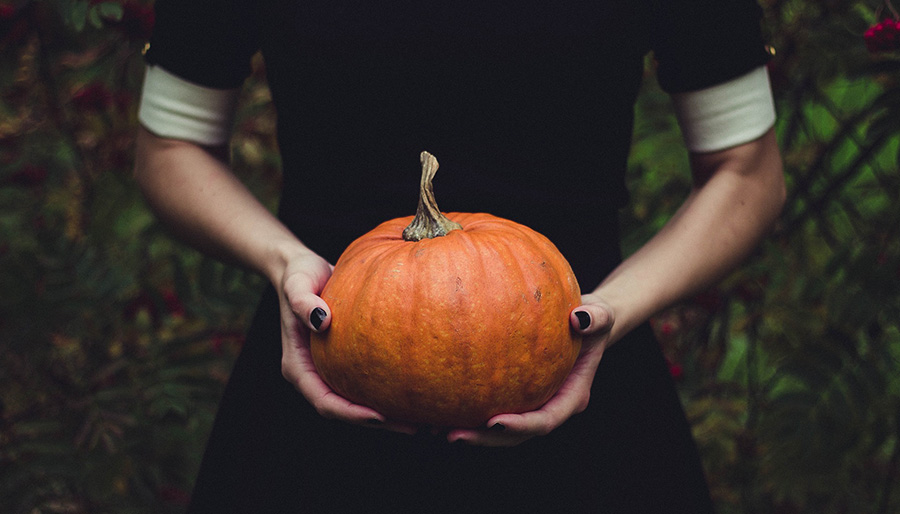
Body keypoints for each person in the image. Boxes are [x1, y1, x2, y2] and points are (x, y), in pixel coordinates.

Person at [133, 0, 785, 512]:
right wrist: (282, 263)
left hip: (577, 363)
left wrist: (612, 308)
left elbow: (748, 171)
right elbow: (171, 148)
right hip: (324, 354)